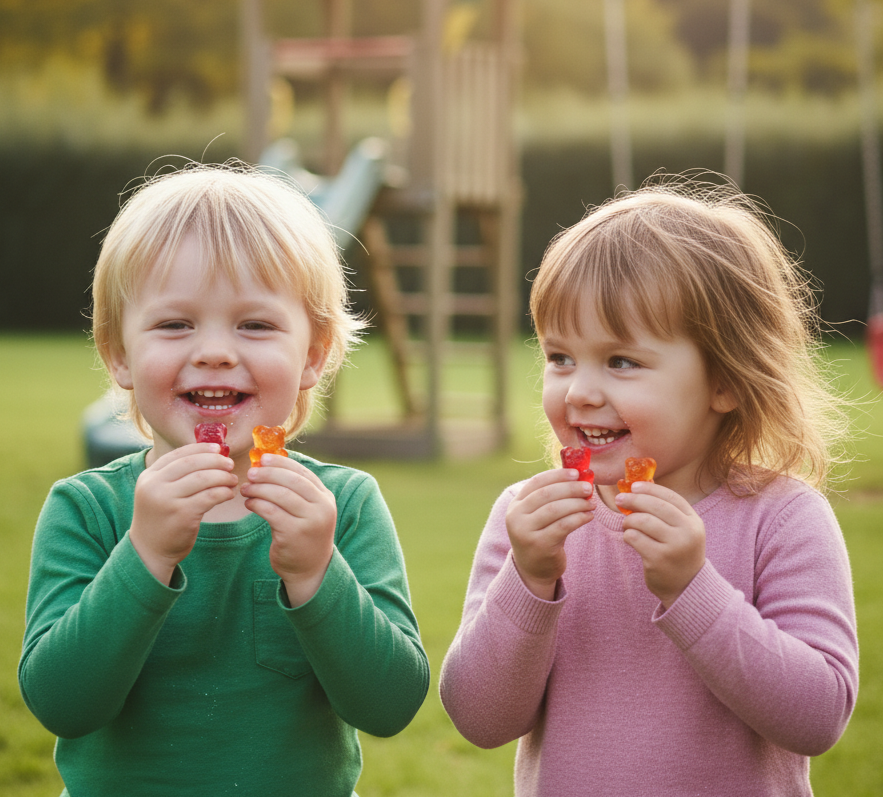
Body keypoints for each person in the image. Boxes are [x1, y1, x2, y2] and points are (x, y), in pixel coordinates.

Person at [19, 163, 429, 797]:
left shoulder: (342, 507)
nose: (214, 351)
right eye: (175, 324)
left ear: (313, 356)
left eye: (255, 324)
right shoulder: (87, 510)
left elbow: (389, 706)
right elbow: (62, 705)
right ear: (119, 355)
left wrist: (316, 571)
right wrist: (145, 554)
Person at [440, 180, 858, 797]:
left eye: (621, 362)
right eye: (560, 357)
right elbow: (480, 720)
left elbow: (818, 717)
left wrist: (693, 591)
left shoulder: (783, 518)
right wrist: (527, 579)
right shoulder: (528, 522)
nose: (579, 391)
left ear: (725, 381)